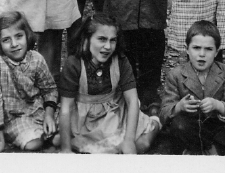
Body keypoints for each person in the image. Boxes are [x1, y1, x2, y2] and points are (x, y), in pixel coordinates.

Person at [57, 14, 161, 154]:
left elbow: (132, 101)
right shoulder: (74, 63)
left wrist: (129, 141)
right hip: (83, 119)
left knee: (142, 143)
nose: (108, 46)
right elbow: (66, 107)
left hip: (114, 114)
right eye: (101, 39)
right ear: (86, 39)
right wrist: (65, 149)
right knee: (92, 150)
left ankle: (153, 122)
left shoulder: (120, 61)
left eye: (113, 40)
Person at [160, 21, 225, 156]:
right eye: (196, 48)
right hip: (192, 127)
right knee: (179, 125)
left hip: (218, 128)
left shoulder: (224, 72)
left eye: (208, 49)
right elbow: (164, 113)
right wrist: (179, 106)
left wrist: (218, 105)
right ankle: (214, 151)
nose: (202, 54)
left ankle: (209, 151)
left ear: (216, 52)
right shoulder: (177, 75)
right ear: (187, 49)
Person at [0, 11, 60, 152]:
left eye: (19, 36)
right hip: (9, 117)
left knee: (70, 117)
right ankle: (48, 138)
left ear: (27, 35)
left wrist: (49, 115)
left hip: (35, 109)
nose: (14, 44)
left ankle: (50, 134)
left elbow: (49, 89)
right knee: (32, 144)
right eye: (6, 40)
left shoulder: (35, 58)